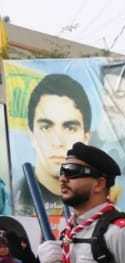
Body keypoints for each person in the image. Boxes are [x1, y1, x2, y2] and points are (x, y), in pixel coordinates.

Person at [18, 74, 93, 215]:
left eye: (70, 128)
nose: (57, 142)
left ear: (86, 138)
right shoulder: (16, 198)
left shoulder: (98, 198)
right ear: (31, 135)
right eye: (46, 127)